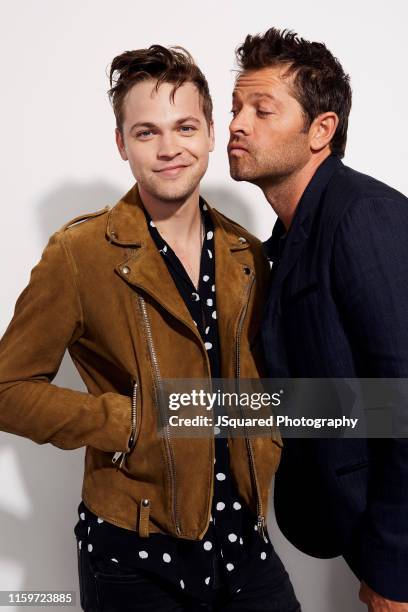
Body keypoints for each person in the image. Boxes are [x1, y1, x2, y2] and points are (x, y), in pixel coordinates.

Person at [0, 45, 299, 611]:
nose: (169, 148)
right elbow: (7, 388)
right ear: (121, 143)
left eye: (185, 126)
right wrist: (128, 421)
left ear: (211, 132)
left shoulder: (248, 254)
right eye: (146, 132)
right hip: (130, 554)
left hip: (245, 542)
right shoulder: (79, 253)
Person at [228, 27, 408, 612]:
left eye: (261, 109)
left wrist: (393, 569)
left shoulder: (363, 217)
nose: (237, 124)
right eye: (235, 108)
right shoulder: (282, 242)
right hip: (349, 531)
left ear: (320, 130)